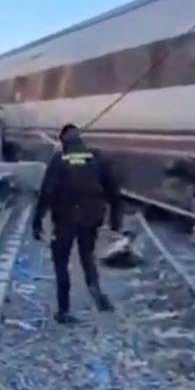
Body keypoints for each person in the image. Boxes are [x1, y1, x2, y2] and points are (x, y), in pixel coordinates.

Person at [31, 124, 122, 324]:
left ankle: (64, 310)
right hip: (91, 217)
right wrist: (116, 222)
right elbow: (114, 192)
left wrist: (37, 221)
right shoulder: (96, 157)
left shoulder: (60, 159)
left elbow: (46, 191)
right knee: (87, 255)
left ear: (63, 141)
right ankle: (96, 291)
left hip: (65, 218)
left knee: (61, 262)